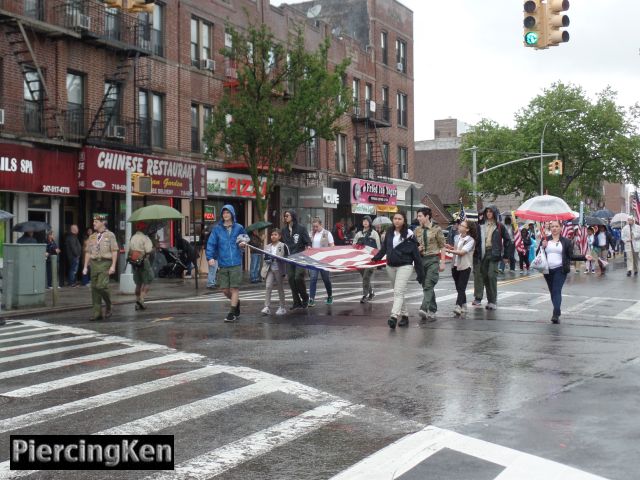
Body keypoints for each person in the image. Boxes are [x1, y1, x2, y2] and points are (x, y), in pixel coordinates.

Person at [371, 211, 424, 329]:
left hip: (405, 265)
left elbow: (416, 254)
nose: (397, 221)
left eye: (399, 219)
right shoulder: (389, 232)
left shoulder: (409, 234)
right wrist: (375, 258)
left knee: (398, 292)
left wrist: (420, 272)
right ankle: (405, 316)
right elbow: (384, 249)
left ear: (404, 220)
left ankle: (394, 316)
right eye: (395, 218)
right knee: (398, 292)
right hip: (390, 266)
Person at [206, 204, 248, 322]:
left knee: (234, 288)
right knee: (224, 290)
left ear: (232, 214)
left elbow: (245, 238)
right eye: (224, 213)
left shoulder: (238, 227)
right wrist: (210, 257)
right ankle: (236, 302)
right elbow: (211, 244)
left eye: (228, 213)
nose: (225, 215)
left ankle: (232, 312)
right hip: (223, 263)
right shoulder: (217, 229)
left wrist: (243, 243)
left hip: (236, 262)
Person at [538, 220, 587, 323]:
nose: (554, 228)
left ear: (561, 228)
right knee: (552, 292)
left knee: (556, 290)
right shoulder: (545, 239)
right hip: (547, 270)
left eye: (556, 226)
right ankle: (557, 309)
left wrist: (584, 257)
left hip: (560, 269)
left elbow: (571, 256)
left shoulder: (566, 241)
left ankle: (555, 313)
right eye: (552, 227)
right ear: (550, 228)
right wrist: (542, 246)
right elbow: (538, 254)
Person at [472, 205, 511, 310]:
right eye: (487, 212)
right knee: (484, 277)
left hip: (494, 254)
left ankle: (493, 301)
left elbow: (508, 240)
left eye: (490, 211)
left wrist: (506, 255)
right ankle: (488, 300)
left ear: (494, 213)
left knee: (491, 276)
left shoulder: (499, 226)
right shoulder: (481, 225)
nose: (488, 213)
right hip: (482, 253)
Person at [82, 214, 119, 321]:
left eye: (96, 222)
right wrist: (85, 266)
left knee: (101, 286)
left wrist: (113, 266)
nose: (93, 223)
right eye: (93, 222)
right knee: (94, 288)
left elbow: (114, 251)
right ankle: (97, 313)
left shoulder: (110, 235)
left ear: (103, 223)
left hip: (105, 263)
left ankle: (109, 304)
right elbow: (88, 252)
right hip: (94, 264)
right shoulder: (92, 236)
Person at [414, 207, 446, 322]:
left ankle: (424, 308)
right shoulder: (417, 230)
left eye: (420, 216)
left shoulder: (437, 229)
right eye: (418, 216)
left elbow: (442, 246)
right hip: (421, 260)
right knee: (426, 286)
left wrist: (442, 262)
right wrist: (417, 248)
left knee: (429, 284)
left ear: (427, 216)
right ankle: (433, 309)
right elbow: (414, 246)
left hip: (433, 259)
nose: (418, 218)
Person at [281, 209, 312, 309]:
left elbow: (308, 242)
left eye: (287, 215)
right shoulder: (284, 230)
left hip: (300, 256)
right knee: (290, 279)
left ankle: (305, 298)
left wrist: (309, 249)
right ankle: (296, 302)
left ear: (293, 216)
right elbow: (282, 244)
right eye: (285, 216)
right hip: (289, 258)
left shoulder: (301, 228)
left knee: (298, 277)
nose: (285, 217)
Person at [445, 220, 477, 316]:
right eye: (460, 225)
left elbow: (462, 252)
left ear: (467, 229)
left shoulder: (470, 240)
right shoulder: (457, 237)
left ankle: (458, 306)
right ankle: (464, 304)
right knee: (459, 287)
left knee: (461, 287)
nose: (459, 226)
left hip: (465, 266)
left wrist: (449, 251)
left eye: (462, 225)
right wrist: (450, 247)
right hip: (455, 265)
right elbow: (456, 249)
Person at [353, 215, 381, 303]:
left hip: (371, 260)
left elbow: (378, 247)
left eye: (367, 221)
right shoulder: (358, 234)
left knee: (366, 276)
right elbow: (353, 246)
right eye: (363, 221)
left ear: (370, 222)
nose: (365, 222)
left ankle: (365, 295)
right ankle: (371, 292)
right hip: (361, 259)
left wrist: (377, 261)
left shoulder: (374, 233)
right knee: (365, 278)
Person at [261, 229, 288, 316]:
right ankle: (267, 307)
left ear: (279, 236)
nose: (273, 236)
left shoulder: (283, 246)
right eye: (272, 234)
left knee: (280, 288)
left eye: (275, 234)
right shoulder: (267, 246)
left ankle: (282, 307)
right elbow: (264, 257)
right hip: (269, 269)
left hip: (279, 269)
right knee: (268, 286)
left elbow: (288, 257)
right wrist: (267, 259)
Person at [307, 217, 334, 306]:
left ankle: (330, 295)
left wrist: (328, 254)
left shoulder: (327, 233)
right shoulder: (311, 234)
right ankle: (311, 299)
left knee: (326, 279)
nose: (315, 228)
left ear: (321, 225)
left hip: (324, 260)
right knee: (313, 278)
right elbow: (307, 245)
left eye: (316, 226)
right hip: (314, 259)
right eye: (313, 226)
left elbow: (332, 246)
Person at [129, 221, 154, 310]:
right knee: (148, 280)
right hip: (144, 261)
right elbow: (148, 250)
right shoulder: (145, 238)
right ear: (144, 229)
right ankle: (141, 299)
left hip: (134, 262)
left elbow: (129, 250)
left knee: (138, 283)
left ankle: (137, 301)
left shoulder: (132, 238)